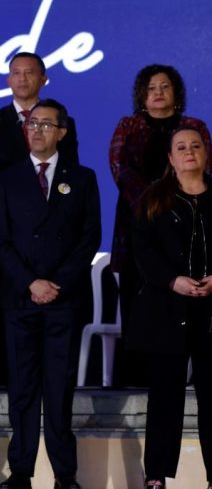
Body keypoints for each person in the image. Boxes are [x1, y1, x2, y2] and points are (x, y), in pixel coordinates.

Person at [0, 100, 100, 489]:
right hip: (20, 299)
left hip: (63, 301)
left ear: (62, 132)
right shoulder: (7, 179)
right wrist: (30, 283)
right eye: (32, 124)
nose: (36, 130)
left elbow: (89, 238)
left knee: (58, 390)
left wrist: (57, 283)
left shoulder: (82, 178)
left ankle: (64, 474)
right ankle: (20, 471)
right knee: (22, 389)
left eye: (45, 124)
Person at [0, 52, 79, 387]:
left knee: (49, 298)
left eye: (29, 72)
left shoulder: (61, 118)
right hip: (6, 222)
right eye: (15, 73)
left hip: (53, 224)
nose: (22, 78)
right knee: (1, 296)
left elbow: (69, 170)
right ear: (8, 79)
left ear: (43, 78)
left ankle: (47, 371)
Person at [110, 65, 212, 368]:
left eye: (165, 86)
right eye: (151, 87)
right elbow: (120, 168)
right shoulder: (128, 125)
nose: (158, 92)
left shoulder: (194, 126)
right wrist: (155, 204)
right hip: (141, 216)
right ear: (142, 94)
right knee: (139, 288)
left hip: (189, 216)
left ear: (176, 92)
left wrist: (178, 202)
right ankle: (136, 371)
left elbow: (204, 168)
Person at [129, 127, 212, 488]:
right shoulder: (154, 199)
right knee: (165, 396)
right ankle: (156, 476)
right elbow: (142, 252)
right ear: (170, 158)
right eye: (181, 147)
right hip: (167, 309)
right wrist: (172, 280)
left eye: (196, 146)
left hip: (210, 313)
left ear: (206, 153)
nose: (189, 152)